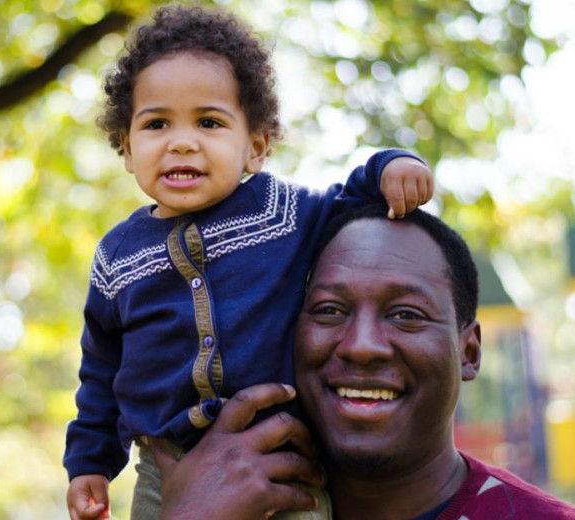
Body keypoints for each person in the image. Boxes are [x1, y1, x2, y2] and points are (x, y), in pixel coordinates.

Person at [63, 5, 435, 520]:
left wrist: (391, 165)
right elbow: (101, 370)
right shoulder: (117, 255)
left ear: (255, 146)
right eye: (156, 124)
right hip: (164, 469)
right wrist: (90, 463)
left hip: (282, 460)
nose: (182, 140)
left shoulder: (280, 212)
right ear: (127, 148)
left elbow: (349, 199)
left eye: (210, 121)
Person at [150, 204, 575, 520]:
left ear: (468, 352)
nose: (362, 346)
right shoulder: (207, 505)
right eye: (330, 311)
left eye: (406, 315)